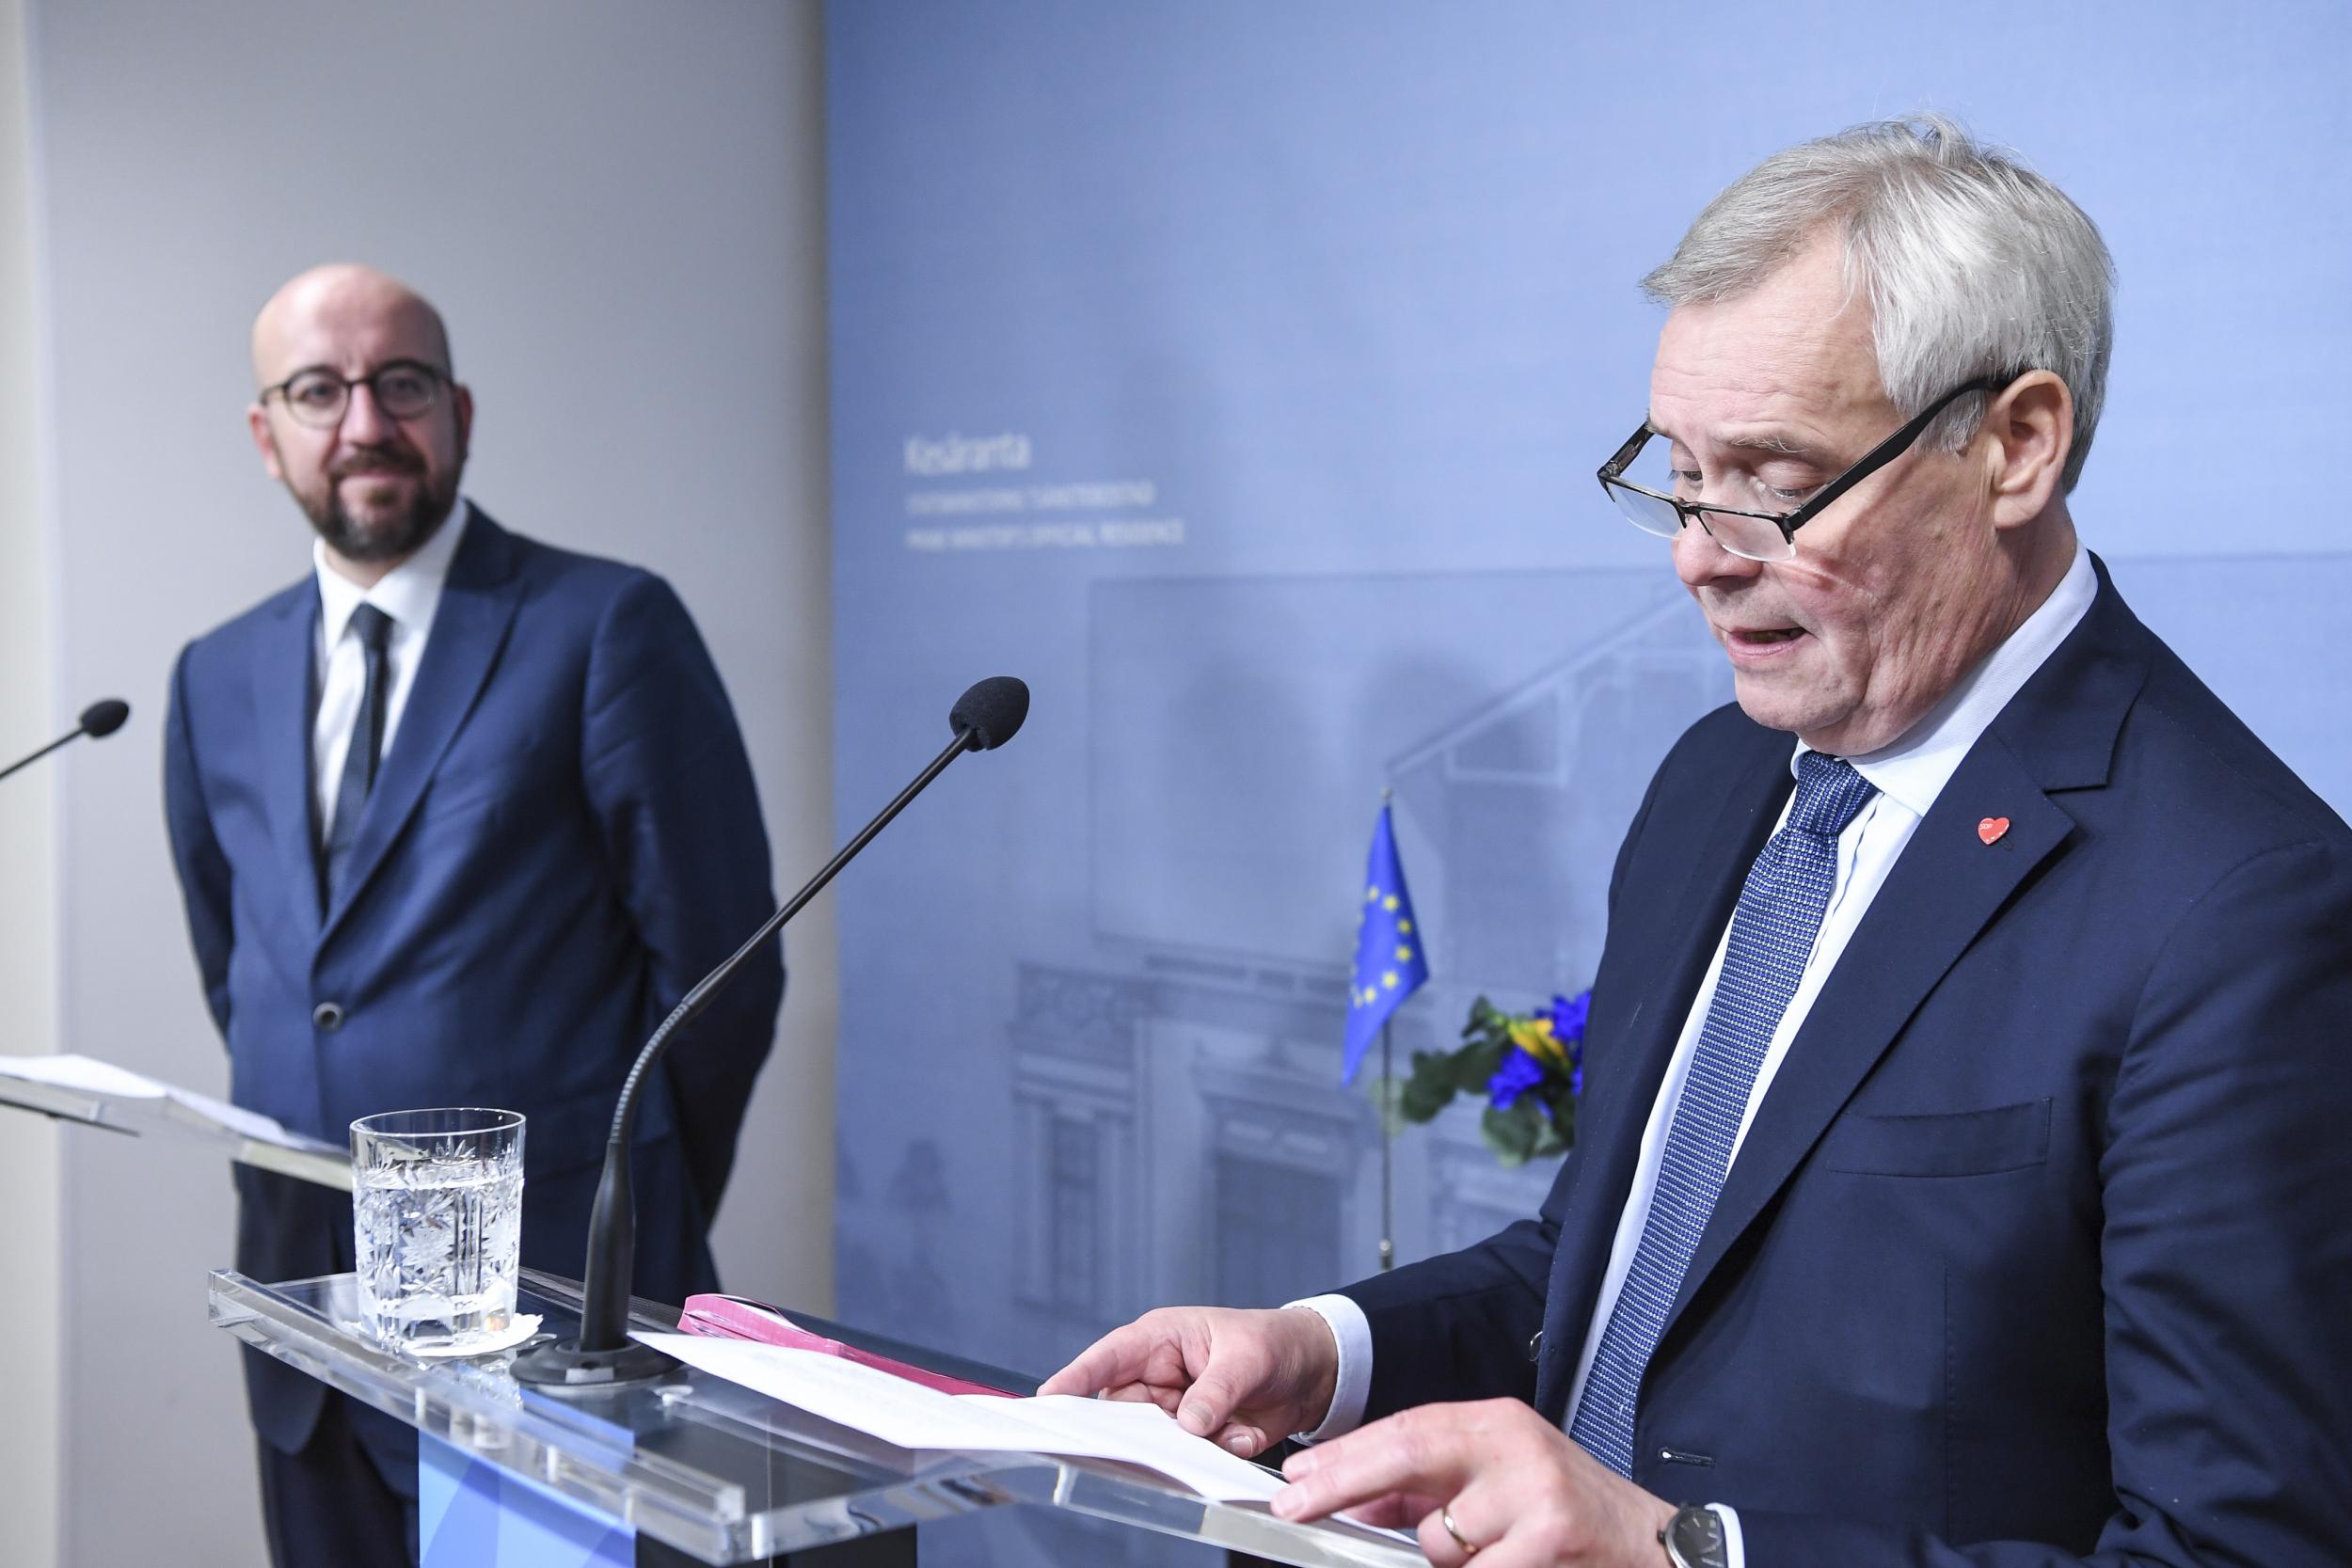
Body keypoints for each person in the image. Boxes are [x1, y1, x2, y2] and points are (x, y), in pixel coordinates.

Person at [1043, 118, 2352, 1567]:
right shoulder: (1718, 778)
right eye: (1676, 468)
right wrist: (1324, 1348)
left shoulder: (2240, 908)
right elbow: (1617, 1272)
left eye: (1774, 479)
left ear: (2015, 447)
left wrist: (1690, 1559)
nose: (1698, 549)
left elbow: (2240, 1548)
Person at [163, 263, 784, 1568]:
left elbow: (720, 982)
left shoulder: (603, 624)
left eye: (403, 384)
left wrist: (624, 1219)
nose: (366, 423)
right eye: (319, 390)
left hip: (550, 1318)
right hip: (305, 1319)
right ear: (265, 434)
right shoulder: (213, 675)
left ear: (460, 411)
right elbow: (253, 977)